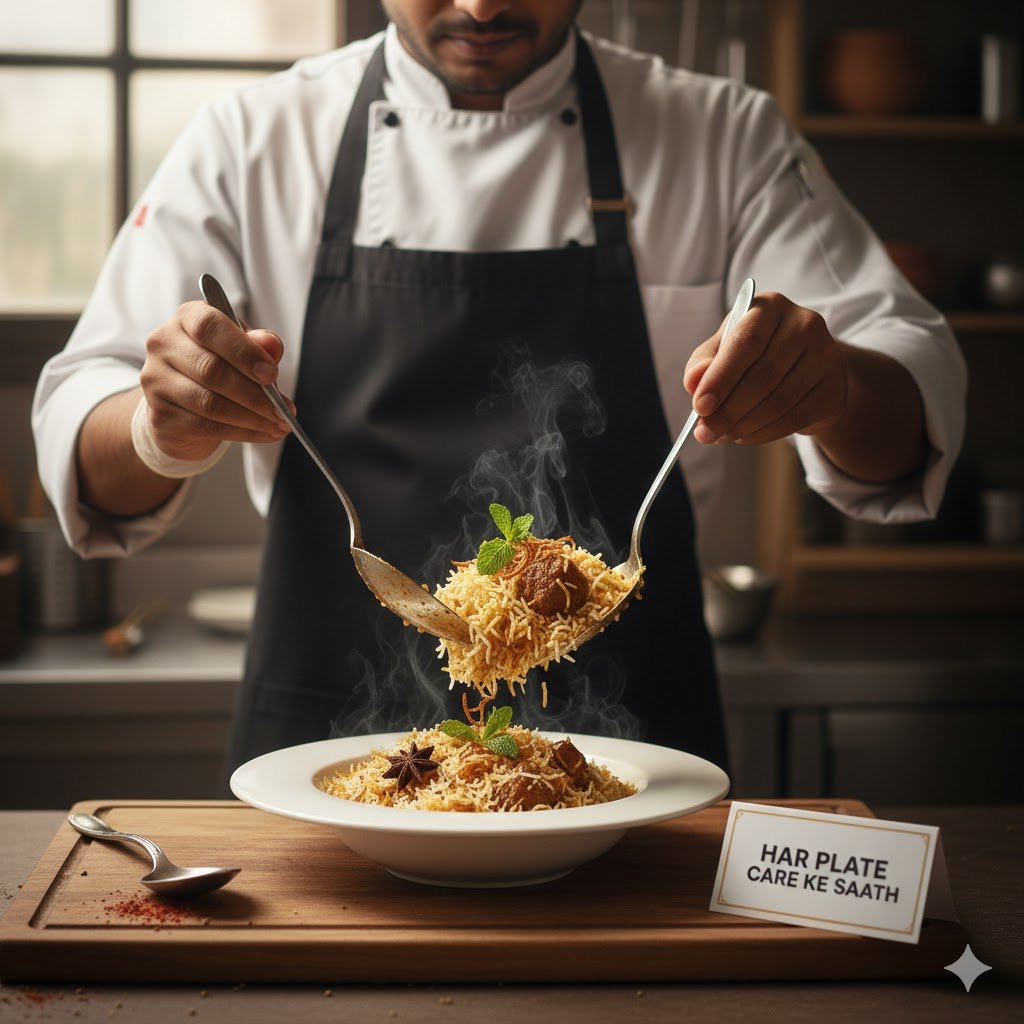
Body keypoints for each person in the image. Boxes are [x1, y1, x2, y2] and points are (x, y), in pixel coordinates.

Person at [32, 0, 965, 778]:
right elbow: (88, 451)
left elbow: (911, 404)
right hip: (323, 738)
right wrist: (162, 428)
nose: (480, 5)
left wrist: (833, 383)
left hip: (634, 744)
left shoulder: (722, 132)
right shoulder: (254, 136)